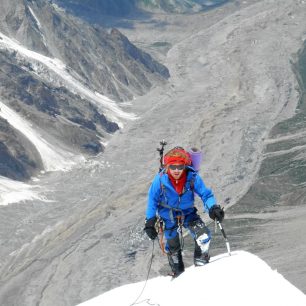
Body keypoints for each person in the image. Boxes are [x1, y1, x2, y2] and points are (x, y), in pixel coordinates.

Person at [144, 146, 224, 276]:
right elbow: (152, 200)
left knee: (203, 236)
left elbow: (206, 195)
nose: (176, 170)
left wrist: (213, 207)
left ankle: (202, 268)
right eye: (173, 167)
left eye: (180, 167)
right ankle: (178, 274)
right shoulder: (159, 180)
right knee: (173, 249)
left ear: (185, 166)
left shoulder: (192, 177)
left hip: (188, 213)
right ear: (167, 166)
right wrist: (150, 221)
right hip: (168, 217)